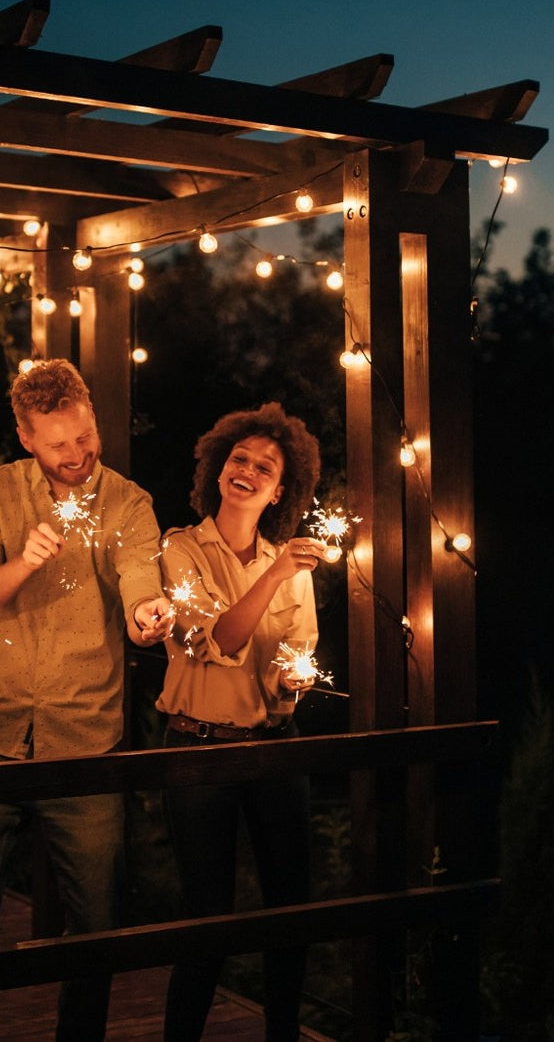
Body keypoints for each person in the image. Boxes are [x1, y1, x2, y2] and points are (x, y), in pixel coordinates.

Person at [0, 357, 172, 1042]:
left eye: (85, 435)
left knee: (97, 927)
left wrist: (146, 615)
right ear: (25, 437)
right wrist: (23, 563)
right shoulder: (2, 492)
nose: (78, 454)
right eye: (59, 444)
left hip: (85, 743)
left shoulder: (129, 504)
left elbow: (139, 579)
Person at [157, 401, 326, 1042]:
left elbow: (295, 659)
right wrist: (276, 572)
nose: (247, 471)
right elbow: (217, 641)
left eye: (264, 467)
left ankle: (283, 1032)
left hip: (275, 749)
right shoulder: (180, 549)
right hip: (198, 751)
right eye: (239, 458)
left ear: (280, 490)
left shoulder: (291, 566)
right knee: (207, 916)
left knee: (291, 907)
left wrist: (294, 681)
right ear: (217, 467)